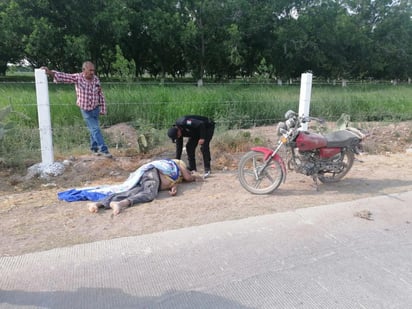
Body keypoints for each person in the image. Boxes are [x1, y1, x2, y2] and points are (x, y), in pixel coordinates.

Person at [41, 61, 112, 158]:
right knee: (95, 129)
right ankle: (104, 150)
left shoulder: (96, 79)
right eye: (90, 70)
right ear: (84, 70)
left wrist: (103, 108)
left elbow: (100, 94)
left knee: (93, 129)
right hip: (85, 109)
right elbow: (64, 76)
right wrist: (50, 72)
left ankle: (94, 149)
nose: (92, 72)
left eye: (93, 70)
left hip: (95, 108)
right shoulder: (78, 78)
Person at [87, 159, 203, 215]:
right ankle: (121, 204)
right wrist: (195, 177)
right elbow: (188, 177)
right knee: (149, 194)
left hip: (152, 176)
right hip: (152, 172)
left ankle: (99, 204)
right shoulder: (178, 164)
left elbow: (171, 182)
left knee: (134, 191)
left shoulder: (175, 176)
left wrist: (174, 187)